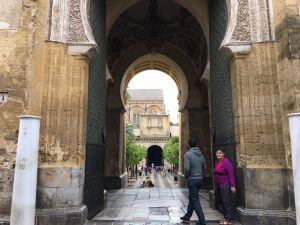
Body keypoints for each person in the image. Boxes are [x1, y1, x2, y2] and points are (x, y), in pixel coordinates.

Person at [180, 138, 207, 225]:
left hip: (192, 180)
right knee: (192, 198)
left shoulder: (187, 154)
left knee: (195, 200)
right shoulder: (201, 154)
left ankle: (202, 221)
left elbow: (187, 168)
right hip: (200, 179)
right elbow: (205, 166)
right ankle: (187, 216)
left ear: (189, 145)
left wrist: (186, 175)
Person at [213, 149, 236, 225]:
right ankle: (225, 218)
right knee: (222, 202)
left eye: (220, 153)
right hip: (219, 185)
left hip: (225, 184)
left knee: (226, 202)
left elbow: (231, 173)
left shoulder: (226, 162)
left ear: (223, 154)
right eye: (217, 153)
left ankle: (228, 220)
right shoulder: (217, 162)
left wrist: (232, 185)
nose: (218, 154)